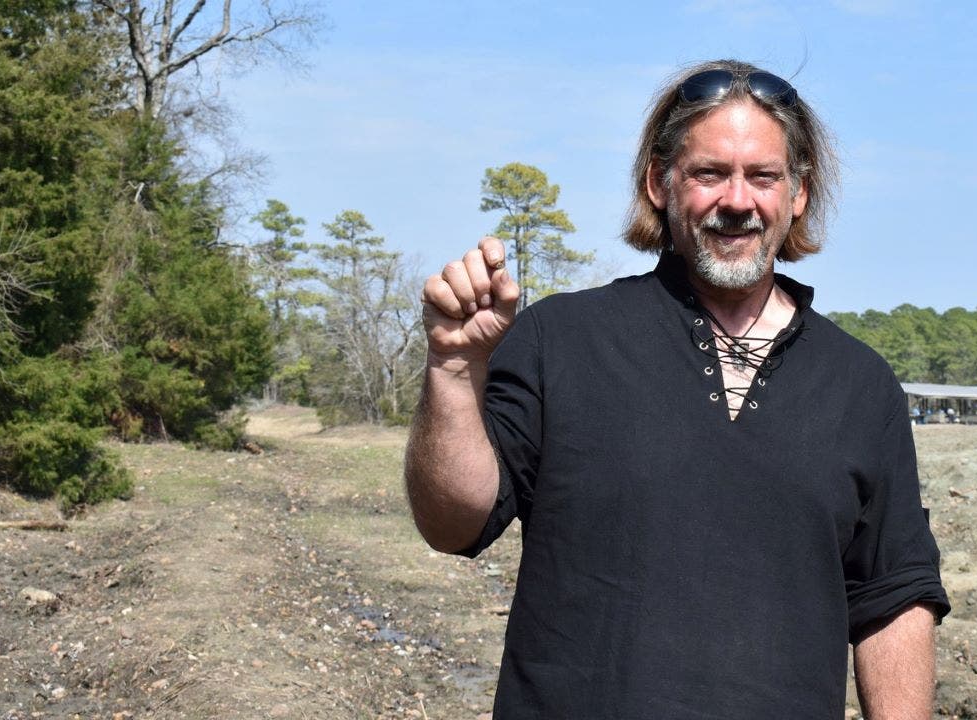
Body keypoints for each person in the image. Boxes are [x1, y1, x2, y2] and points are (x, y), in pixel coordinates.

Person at [405, 59, 949, 719]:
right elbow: (453, 524)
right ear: (659, 183)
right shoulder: (562, 341)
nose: (738, 201)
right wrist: (454, 372)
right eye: (709, 173)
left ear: (798, 193)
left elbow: (893, 599)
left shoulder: (861, 388)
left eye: (763, 176)